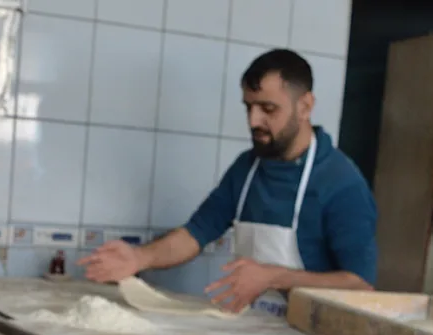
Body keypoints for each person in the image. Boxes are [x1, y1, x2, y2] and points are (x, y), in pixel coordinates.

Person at [80, 49, 377, 317]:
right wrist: (138, 257)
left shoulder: (340, 183)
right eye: (248, 107)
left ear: (305, 106)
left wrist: (274, 277)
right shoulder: (247, 168)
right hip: (250, 328)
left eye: (267, 109)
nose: (253, 121)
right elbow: (196, 233)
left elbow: (360, 285)